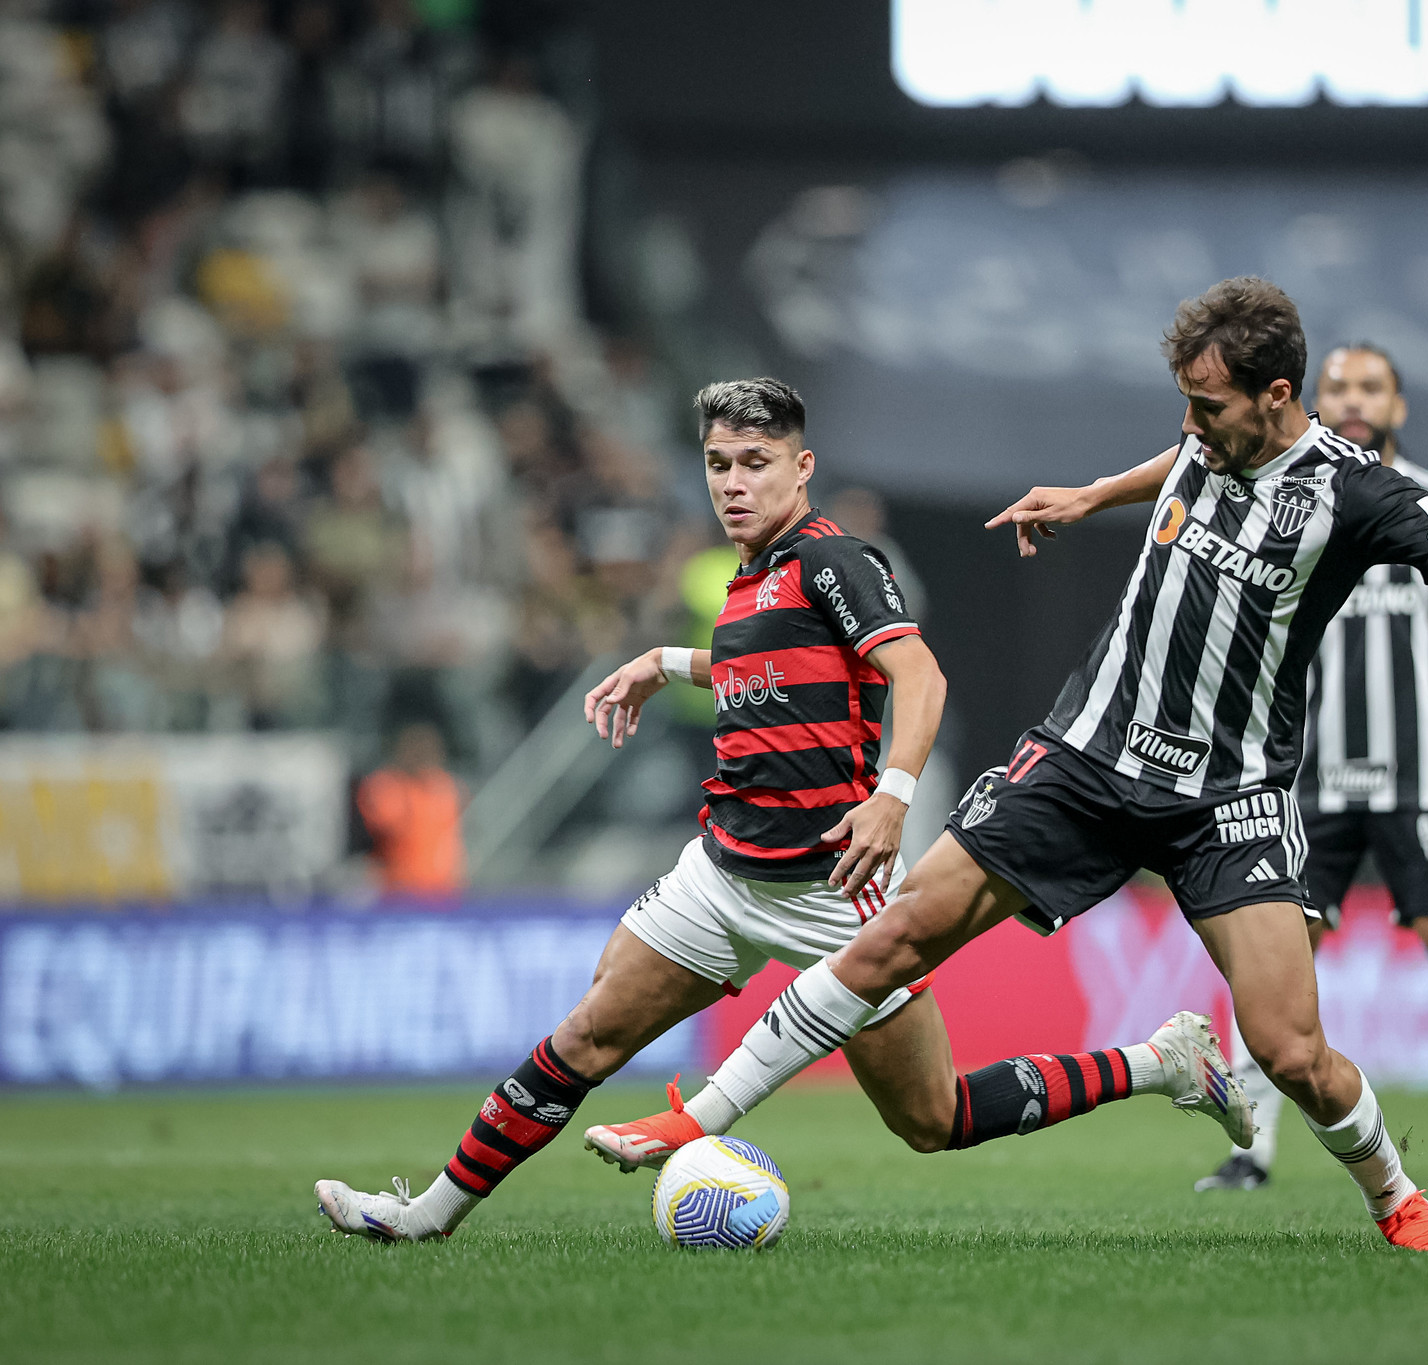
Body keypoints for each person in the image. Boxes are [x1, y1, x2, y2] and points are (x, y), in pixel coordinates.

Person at [607, 278, 1428, 1254]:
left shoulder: (1353, 495)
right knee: (893, 938)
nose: (1189, 425)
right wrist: (1086, 496)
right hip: (1083, 758)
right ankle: (698, 1116)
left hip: (1228, 799)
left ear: (1277, 396)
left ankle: (1396, 1197)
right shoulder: (1206, 440)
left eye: (1208, 406)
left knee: (1291, 1052)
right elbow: (1175, 463)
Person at [314, 378, 1247, 1243]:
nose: (732, 482)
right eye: (718, 464)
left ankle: (1160, 1058)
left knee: (935, 1118)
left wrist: (891, 795)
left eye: (754, 462)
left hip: (827, 887)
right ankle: (427, 1214)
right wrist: (665, 664)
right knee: (587, 1033)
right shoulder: (745, 580)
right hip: (720, 872)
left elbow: (916, 675)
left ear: (800, 467)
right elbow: (770, 677)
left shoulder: (835, 560)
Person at [1196, 342, 1428, 1196]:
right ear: (1310, 397)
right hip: (1300, 781)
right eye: (1339, 386)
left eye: (1371, 387)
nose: (1353, 399)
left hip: (1419, 778)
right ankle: (1250, 1151)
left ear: (1399, 403)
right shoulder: (1277, 495)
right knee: (1277, 955)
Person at [356, 721, 466, 897]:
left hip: (441, 889)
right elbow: (388, 827)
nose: (423, 755)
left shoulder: (444, 785)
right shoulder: (385, 784)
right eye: (416, 748)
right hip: (399, 889)